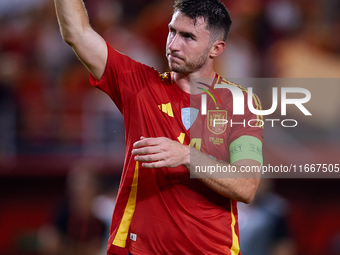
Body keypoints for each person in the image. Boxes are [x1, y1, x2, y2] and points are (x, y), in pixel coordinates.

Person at [54, 0, 264, 254]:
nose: (173, 44)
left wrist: (186, 155)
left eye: (188, 37)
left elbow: (246, 185)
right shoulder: (140, 87)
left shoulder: (239, 103)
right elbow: (77, 33)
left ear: (216, 48)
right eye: (172, 31)